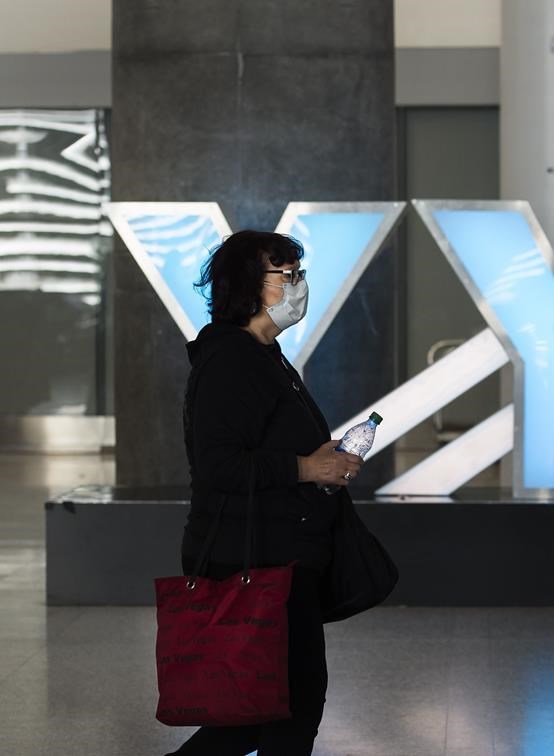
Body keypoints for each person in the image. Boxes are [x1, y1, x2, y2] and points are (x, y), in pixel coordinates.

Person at [169, 230, 360, 756]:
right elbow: (218, 464)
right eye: (286, 274)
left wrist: (325, 462)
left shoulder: (264, 355)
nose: (297, 285)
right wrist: (305, 467)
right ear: (248, 286)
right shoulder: (233, 359)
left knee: (260, 707)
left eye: (299, 273)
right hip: (253, 557)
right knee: (282, 705)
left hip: (279, 552)